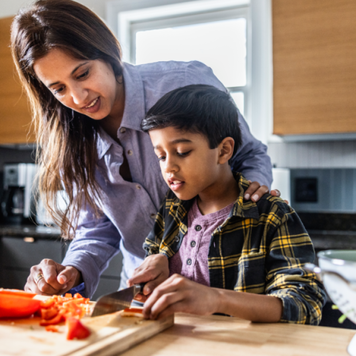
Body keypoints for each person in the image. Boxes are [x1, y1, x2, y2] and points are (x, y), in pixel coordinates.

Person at [11, 0, 279, 298]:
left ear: (107, 54)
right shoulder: (72, 136)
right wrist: (72, 271)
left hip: (227, 287)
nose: (78, 97)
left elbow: (249, 155)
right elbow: (98, 227)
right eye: (58, 88)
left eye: (83, 73)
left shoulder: (183, 85)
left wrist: (253, 193)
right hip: (146, 293)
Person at [128, 84, 326, 324]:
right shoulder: (172, 208)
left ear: (223, 150)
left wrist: (217, 299)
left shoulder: (272, 215)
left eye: (182, 151)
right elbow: (153, 261)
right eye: (161, 156)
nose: (168, 167)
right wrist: (159, 259)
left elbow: (305, 305)